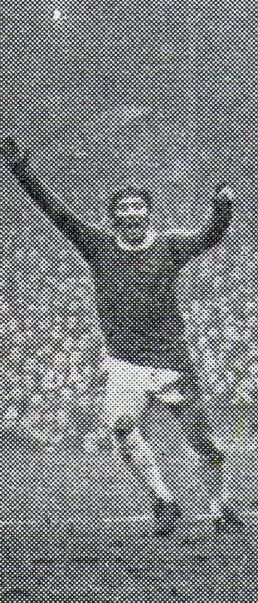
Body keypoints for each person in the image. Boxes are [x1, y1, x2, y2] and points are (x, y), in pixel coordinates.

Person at [2, 137, 237, 535]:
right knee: (122, 429)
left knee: (201, 441)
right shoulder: (98, 246)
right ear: (114, 218)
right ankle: (163, 501)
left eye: (137, 207)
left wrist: (222, 209)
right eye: (124, 208)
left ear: (148, 213)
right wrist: (23, 172)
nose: (131, 213)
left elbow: (209, 237)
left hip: (171, 359)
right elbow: (58, 214)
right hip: (124, 360)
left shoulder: (169, 246)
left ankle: (220, 508)